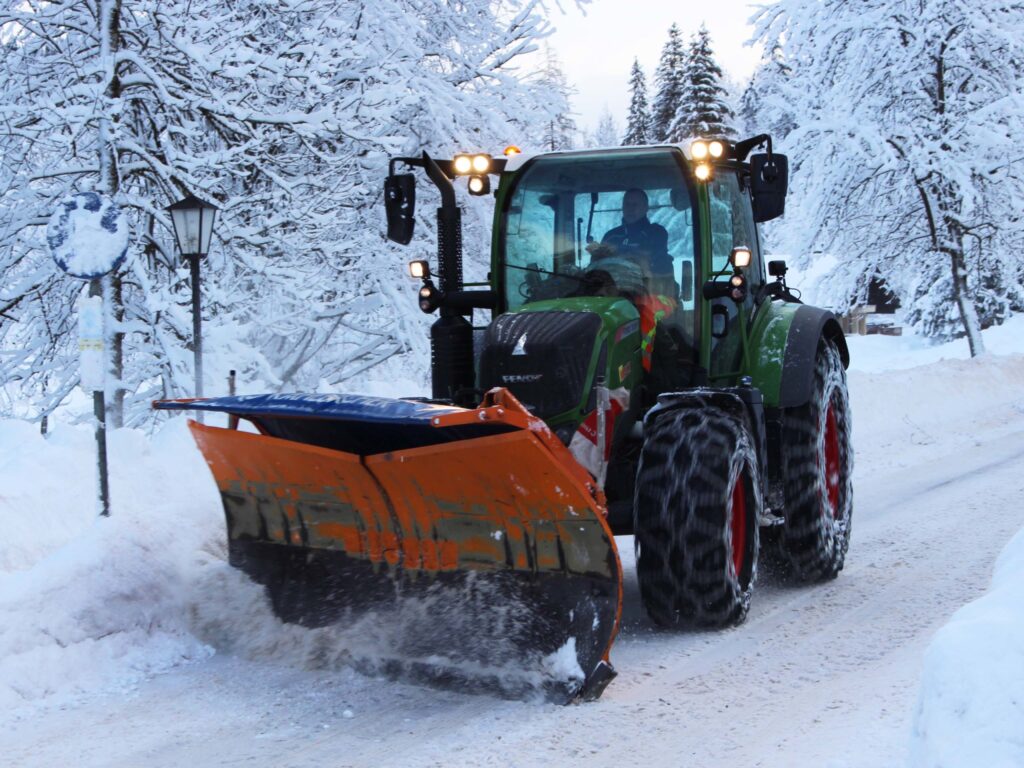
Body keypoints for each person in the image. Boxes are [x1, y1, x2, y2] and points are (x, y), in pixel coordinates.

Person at [585, 188, 673, 286]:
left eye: (635, 205)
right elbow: (599, 268)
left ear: (645, 208)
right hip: (613, 292)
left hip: (650, 291)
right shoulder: (611, 236)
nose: (630, 209)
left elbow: (655, 260)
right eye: (627, 204)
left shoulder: (656, 233)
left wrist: (616, 251)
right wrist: (598, 254)